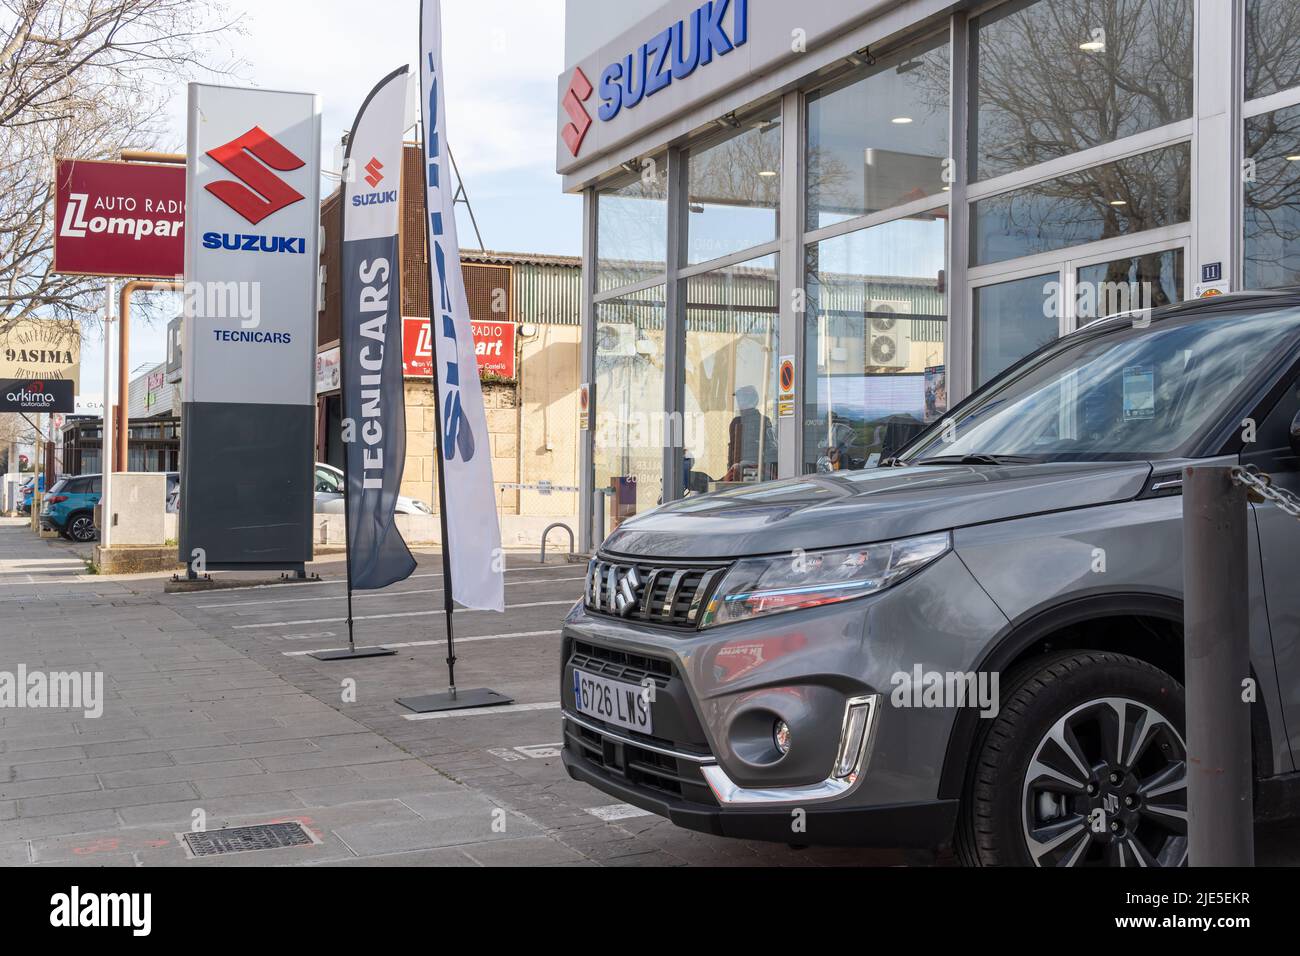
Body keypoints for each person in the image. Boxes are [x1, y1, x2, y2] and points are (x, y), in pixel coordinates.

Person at [725, 385, 777, 483]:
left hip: (755, 472)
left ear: (750, 401)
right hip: (741, 472)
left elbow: (771, 450)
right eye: (739, 400)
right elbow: (732, 450)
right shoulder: (738, 422)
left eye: (742, 400)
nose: (739, 404)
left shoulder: (762, 421)